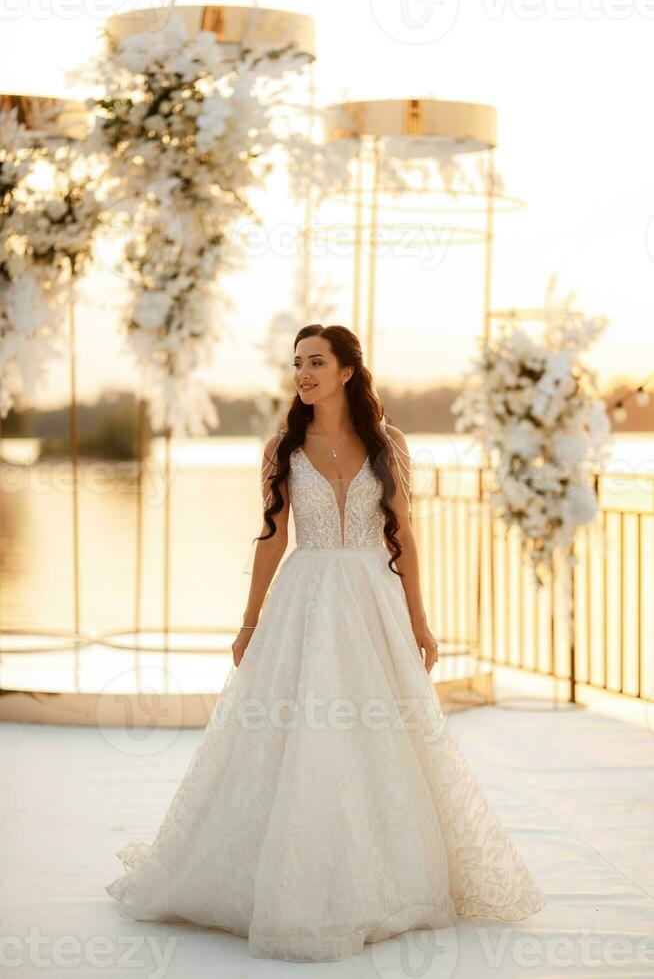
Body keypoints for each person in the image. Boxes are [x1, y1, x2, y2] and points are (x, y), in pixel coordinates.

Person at [106, 324, 546, 962]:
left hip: (373, 603)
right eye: (297, 364)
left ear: (347, 371)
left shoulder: (386, 444)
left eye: (316, 362)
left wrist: (421, 623)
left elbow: (407, 538)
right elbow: (272, 540)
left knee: (381, 734)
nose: (303, 374)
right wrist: (250, 622)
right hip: (303, 604)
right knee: (296, 733)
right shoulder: (283, 447)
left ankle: (386, 876)